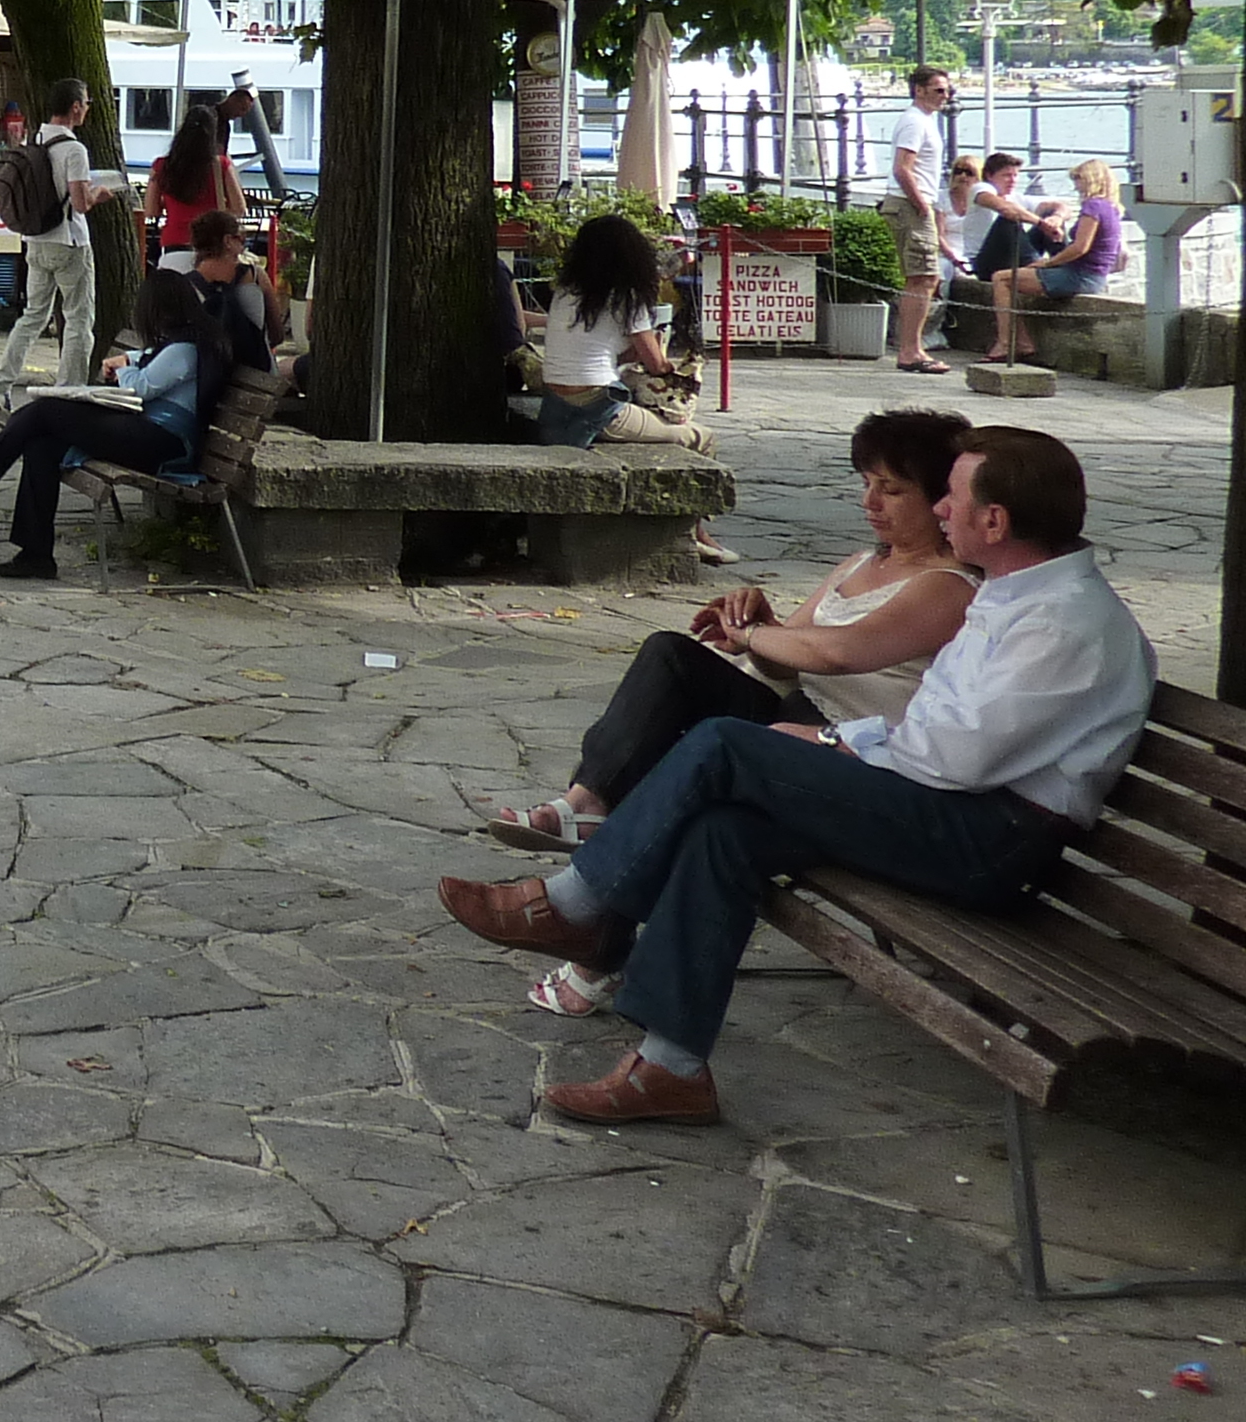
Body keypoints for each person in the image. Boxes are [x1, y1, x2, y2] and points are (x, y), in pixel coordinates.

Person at [436, 425, 1154, 1125]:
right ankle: (671, 1068)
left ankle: (573, 905)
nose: (939, 509)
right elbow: (937, 734)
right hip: (947, 805)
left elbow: (954, 758)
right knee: (725, 831)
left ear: (994, 520)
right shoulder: (1018, 591)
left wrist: (831, 739)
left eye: (952, 497)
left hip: (987, 838)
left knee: (727, 745)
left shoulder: (1062, 622)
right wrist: (835, 737)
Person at [479, 407, 978, 1011]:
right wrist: (756, 622)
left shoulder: (945, 585)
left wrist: (754, 639)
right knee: (671, 658)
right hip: (798, 709)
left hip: (846, 749)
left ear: (941, 502)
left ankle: (594, 943)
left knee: (686, 790)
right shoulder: (862, 563)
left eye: (892, 490)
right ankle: (586, 807)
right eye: (867, 482)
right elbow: (787, 658)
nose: (872, 501)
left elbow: (838, 653)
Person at [0, 269, 223, 585]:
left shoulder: (185, 349)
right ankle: (35, 555)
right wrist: (129, 360)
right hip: (144, 433)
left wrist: (123, 368)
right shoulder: (179, 342)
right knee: (41, 445)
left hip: (162, 443)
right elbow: (147, 359)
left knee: (46, 412)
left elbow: (141, 388)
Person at [0, 76, 106, 423]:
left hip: (35, 242)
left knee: (33, 316)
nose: (87, 110)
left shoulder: (33, 140)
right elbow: (80, 204)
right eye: (86, 104)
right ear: (76, 107)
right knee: (79, 319)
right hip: (69, 243)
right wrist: (101, 194)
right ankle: (69, 392)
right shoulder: (74, 150)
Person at [533, 214, 706, 455]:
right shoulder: (628, 296)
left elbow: (590, 353)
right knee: (700, 437)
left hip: (555, 404)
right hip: (600, 406)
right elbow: (656, 366)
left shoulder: (565, 292)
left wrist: (629, 355)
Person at [1004, 161, 1125, 343]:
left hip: (1081, 275)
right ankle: (1018, 341)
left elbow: (1080, 247)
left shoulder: (1093, 206)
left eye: (1078, 178)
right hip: (1095, 275)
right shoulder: (1112, 208)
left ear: (1091, 179)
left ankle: (1012, 342)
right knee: (1021, 277)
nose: (1075, 185)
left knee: (1002, 279)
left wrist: (1048, 263)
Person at [885, 62, 954, 373]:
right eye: (938, 90)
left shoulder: (924, 121)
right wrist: (922, 205)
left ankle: (912, 347)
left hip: (913, 203)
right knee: (923, 276)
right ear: (919, 90)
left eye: (948, 90)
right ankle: (911, 350)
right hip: (910, 204)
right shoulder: (915, 122)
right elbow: (903, 167)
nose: (945, 96)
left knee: (925, 277)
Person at [962, 152, 1053, 357]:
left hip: (1008, 258)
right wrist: (1040, 223)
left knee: (1048, 217)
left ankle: (1063, 265)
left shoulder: (1017, 198)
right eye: (1006, 175)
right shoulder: (980, 190)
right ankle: (1039, 265)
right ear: (990, 176)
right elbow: (1004, 209)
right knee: (1009, 220)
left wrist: (1054, 219)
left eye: (1015, 175)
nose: (1012, 180)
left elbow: (1056, 205)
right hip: (985, 261)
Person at [144, 101, 245, 270]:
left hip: (173, 247)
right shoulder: (221, 166)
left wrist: (170, 203)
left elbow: (151, 210)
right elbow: (239, 208)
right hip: (211, 248)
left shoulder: (162, 166)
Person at [183, 207, 276, 352]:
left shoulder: (184, 285)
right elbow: (277, 334)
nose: (243, 245)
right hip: (257, 369)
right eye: (241, 239)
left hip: (208, 371)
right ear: (227, 241)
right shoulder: (256, 276)